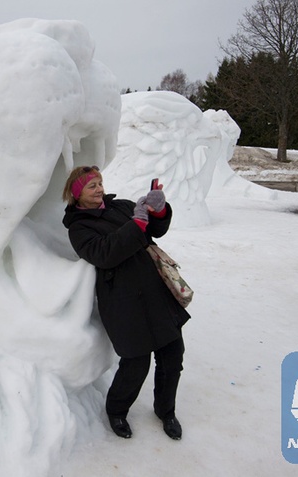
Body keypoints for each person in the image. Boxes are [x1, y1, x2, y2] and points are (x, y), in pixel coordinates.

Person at [61, 165, 190, 441]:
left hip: (156, 292)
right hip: (123, 301)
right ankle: (117, 410)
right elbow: (104, 254)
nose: (99, 189)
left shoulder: (121, 206)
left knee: (172, 356)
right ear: (76, 194)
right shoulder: (78, 227)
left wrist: (158, 210)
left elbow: (153, 231)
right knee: (136, 363)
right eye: (91, 185)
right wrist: (137, 224)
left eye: (100, 183)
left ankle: (166, 411)